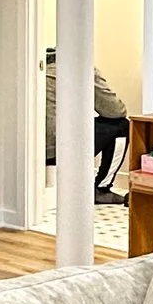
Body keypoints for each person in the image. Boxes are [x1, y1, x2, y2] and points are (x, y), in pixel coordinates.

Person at [44, 50, 133, 203]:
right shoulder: (80, 68)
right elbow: (116, 111)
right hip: (60, 148)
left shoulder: (32, 66)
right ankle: (101, 190)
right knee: (121, 125)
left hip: (28, 150)